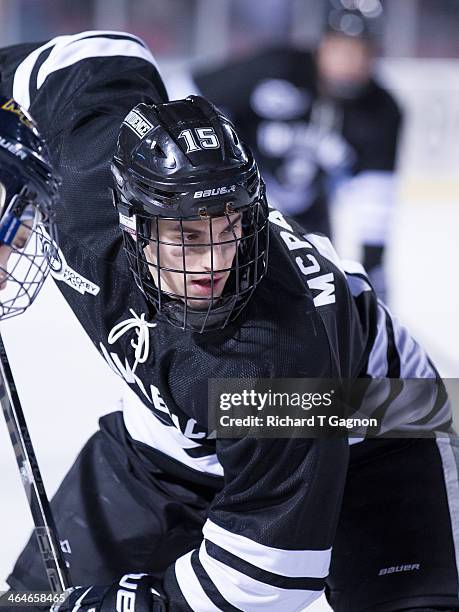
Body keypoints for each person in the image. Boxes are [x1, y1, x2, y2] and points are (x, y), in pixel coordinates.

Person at [0, 31, 457, 612]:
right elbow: (92, 54)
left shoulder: (273, 358)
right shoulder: (87, 182)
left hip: (372, 427)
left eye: (230, 230)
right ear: (132, 223)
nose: (215, 263)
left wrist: (122, 604)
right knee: (30, 604)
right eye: (187, 236)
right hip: (180, 435)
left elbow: (266, 579)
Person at [168, 12, 402, 301]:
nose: (351, 61)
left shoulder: (381, 110)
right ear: (324, 44)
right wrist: (205, 164)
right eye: (343, 47)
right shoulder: (277, 67)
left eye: (362, 51)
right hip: (235, 209)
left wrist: (374, 265)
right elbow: (187, 92)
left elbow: (375, 198)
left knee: (312, 308)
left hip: (306, 220)